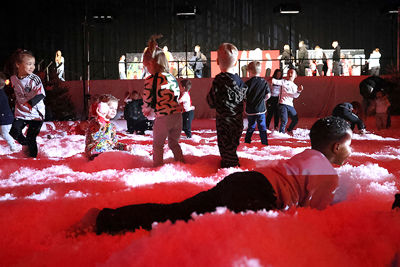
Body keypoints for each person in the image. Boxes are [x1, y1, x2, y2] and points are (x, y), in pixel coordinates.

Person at [69, 116, 352, 236]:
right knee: (187, 222)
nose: (350, 151)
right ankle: (104, 221)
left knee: (179, 212)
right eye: (349, 145)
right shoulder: (328, 175)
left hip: (244, 181)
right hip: (257, 195)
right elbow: (314, 216)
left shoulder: (305, 156)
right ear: (337, 146)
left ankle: (102, 218)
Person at [142, 35, 184, 167]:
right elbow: (176, 94)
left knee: (158, 145)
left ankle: (157, 167)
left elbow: (147, 98)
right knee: (173, 143)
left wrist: (147, 110)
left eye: (146, 66)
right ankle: (181, 162)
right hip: (177, 116)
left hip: (163, 117)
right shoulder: (171, 77)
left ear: (151, 63)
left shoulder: (150, 79)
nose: (147, 69)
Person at [206, 43, 247, 168]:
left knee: (224, 145)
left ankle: (229, 166)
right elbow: (245, 97)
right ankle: (232, 162)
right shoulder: (240, 81)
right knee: (233, 143)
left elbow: (211, 100)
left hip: (224, 120)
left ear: (217, 61)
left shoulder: (219, 80)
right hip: (238, 120)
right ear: (235, 63)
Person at [8, 49, 45, 158]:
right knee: (14, 132)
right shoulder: (13, 79)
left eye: (33, 64)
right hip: (21, 113)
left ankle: (32, 158)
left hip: (36, 115)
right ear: (18, 64)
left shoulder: (34, 79)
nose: (32, 67)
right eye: (29, 64)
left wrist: (30, 103)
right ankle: (26, 145)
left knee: (31, 137)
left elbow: (41, 94)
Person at [85, 94, 132, 160]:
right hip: (95, 154)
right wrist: (101, 118)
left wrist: (123, 147)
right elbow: (96, 134)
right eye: (111, 108)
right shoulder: (95, 122)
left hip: (107, 153)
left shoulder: (111, 126)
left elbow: (113, 143)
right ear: (102, 107)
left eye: (115, 108)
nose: (114, 111)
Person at [244, 61, 271, 146]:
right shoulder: (264, 82)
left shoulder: (247, 83)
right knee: (262, 127)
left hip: (250, 110)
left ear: (249, 71)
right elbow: (268, 95)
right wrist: (263, 100)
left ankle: (247, 141)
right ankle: (264, 143)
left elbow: (244, 96)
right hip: (261, 109)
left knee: (251, 126)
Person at [273, 68, 304, 134]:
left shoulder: (295, 86)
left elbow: (295, 96)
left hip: (290, 105)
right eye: (288, 73)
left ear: (295, 75)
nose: (290, 74)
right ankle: (281, 133)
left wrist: (299, 91)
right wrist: (272, 80)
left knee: (295, 119)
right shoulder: (283, 81)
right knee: (284, 120)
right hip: (282, 104)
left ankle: (289, 130)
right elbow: (274, 81)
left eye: (292, 73)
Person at [0, 72, 17, 151]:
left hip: (5, 118)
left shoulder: (1, 94)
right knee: (3, 133)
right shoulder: (2, 92)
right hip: (5, 117)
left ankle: (13, 146)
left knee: (4, 133)